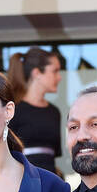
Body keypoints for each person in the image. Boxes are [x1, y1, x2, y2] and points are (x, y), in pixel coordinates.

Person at [7, 46, 64, 174]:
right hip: (21, 180)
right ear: (37, 73)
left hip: (50, 181)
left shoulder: (54, 112)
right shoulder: (13, 110)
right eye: (55, 71)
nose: (59, 77)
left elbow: (53, 155)